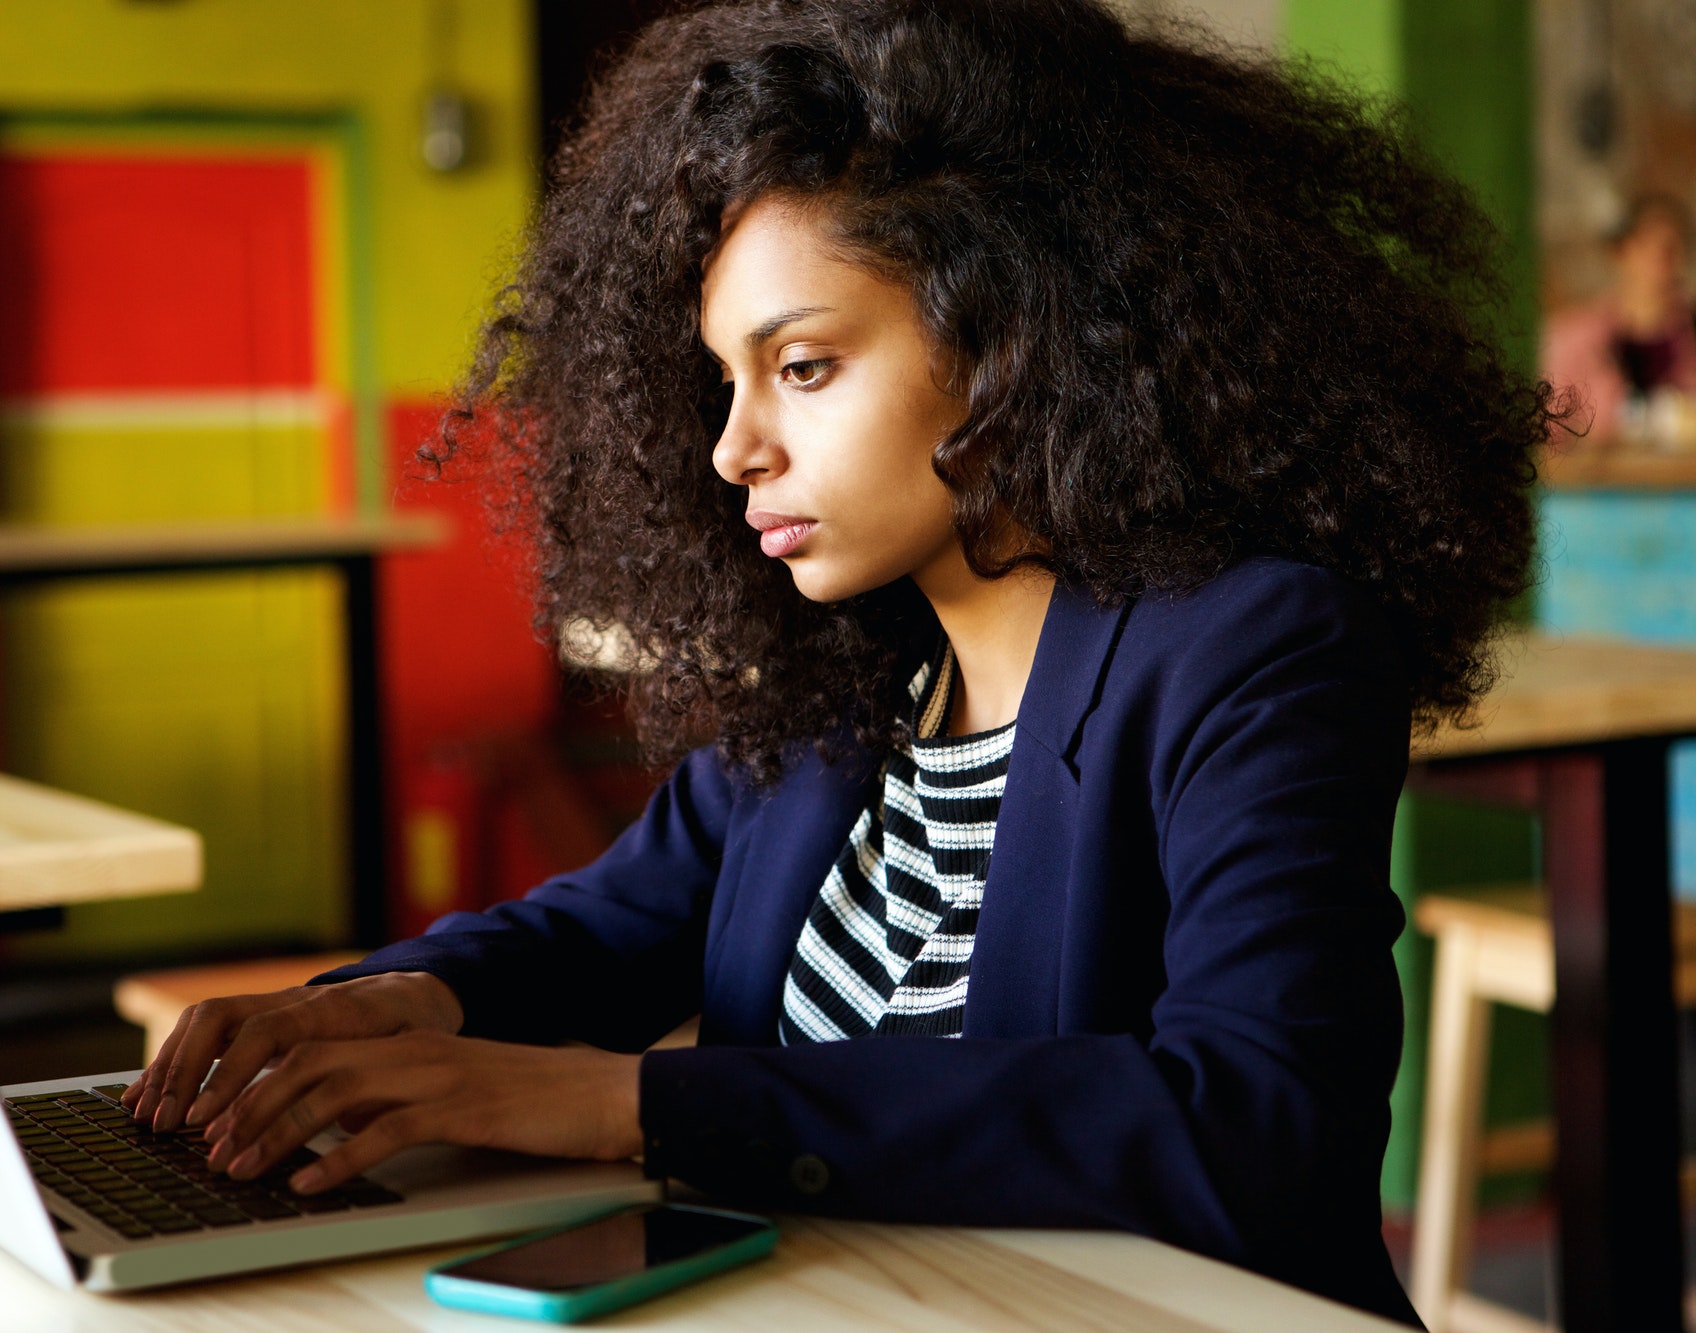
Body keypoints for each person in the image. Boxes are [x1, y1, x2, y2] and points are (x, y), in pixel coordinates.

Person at [122, 2, 1547, 1323]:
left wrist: (639, 1108)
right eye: (725, 382)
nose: (734, 447)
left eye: (802, 368)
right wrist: (390, 1004)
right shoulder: (845, 673)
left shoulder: (1252, 647)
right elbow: (610, 923)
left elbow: (1253, 1119)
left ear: (1012, 340)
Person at [1543, 193, 1696, 451]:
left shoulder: (1688, 334)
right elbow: (1548, 435)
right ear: (1621, 251)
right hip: (1599, 485)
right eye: (1649, 246)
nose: (1660, 261)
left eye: (1671, 249)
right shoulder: (1575, 337)